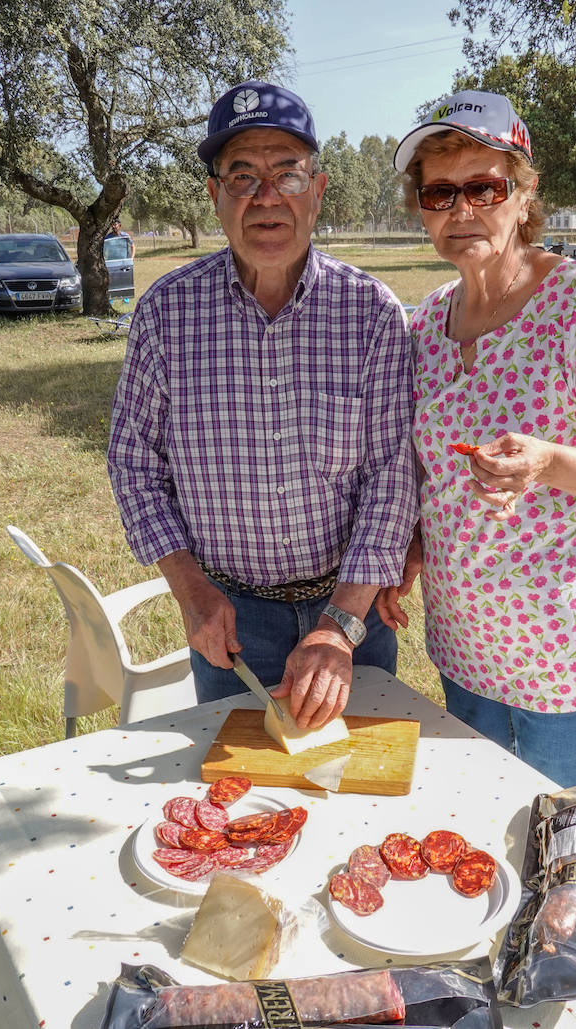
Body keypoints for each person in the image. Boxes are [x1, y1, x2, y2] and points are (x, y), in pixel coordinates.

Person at [376, 90, 576, 817]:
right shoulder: (424, 325)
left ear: (523, 195)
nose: (461, 211)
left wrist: (551, 461)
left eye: (484, 187)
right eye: (439, 193)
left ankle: (572, 932)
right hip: (465, 638)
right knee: (482, 815)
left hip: (565, 649)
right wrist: (415, 549)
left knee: (562, 825)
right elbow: (434, 477)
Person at [107, 80, 417, 730]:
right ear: (214, 195)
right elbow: (134, 464)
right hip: (228, 618)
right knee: (237, 805)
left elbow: (393, 477)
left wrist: (339, 624)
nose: (266, 196)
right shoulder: (166, 315)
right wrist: (191, 592)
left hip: (350, 613)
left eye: (286, 174)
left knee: (351, 795)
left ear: (319, 190)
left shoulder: (372, 315)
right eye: (241, 176)